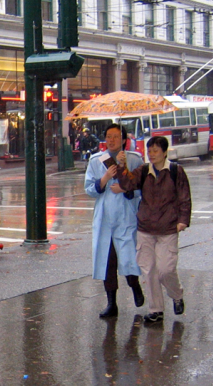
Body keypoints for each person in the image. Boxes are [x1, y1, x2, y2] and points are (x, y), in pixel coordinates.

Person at [115, 135, 192, 324]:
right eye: (149, 151)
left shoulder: (175, 171)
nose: (152, 154)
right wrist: (122, 166)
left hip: (167, 228)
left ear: (165, 152)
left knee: (165, 270)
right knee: (148, 270)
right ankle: (156, 309)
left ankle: (176, 294)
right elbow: (127, 184)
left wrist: (183, 220)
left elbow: (184, 197)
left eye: (156, 151)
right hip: (145, 228)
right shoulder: (143, 170)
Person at [85, 124, 145, 318]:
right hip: (105, 216)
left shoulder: (134, 159)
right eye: (108, 136)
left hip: (126, 214)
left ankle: (134, 286)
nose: (111, 140)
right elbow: (89, 188)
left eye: (116, 137)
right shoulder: (97, 160)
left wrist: (126, 185)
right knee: (107, 260)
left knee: (128, 256)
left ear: (124, 140)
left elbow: (142, 187)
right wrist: (104, 178)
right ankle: (112, 302)